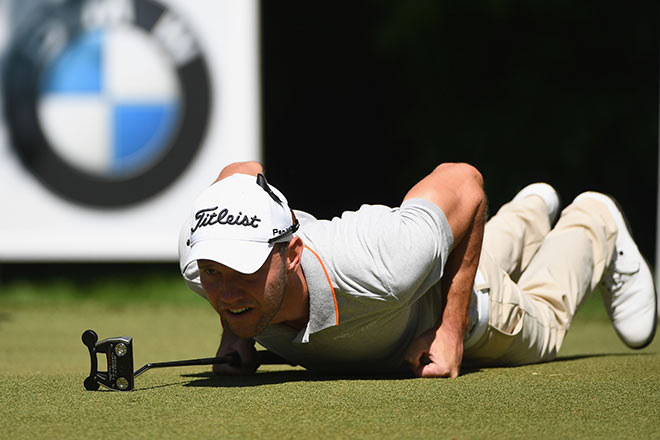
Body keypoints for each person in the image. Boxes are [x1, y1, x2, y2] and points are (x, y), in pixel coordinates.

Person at [178, 161, 657, 378]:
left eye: (244, 269)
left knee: (547, 322)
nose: (225, 287)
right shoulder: (202, 262)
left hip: (462, 301)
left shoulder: (384, 261)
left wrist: (450, 331)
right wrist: (237, 330)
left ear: (293, 254)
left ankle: (593, 221)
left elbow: (464, 182)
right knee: (466, 235)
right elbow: (240, 171)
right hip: (425, 268)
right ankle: (530, 211)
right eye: (216, 270)